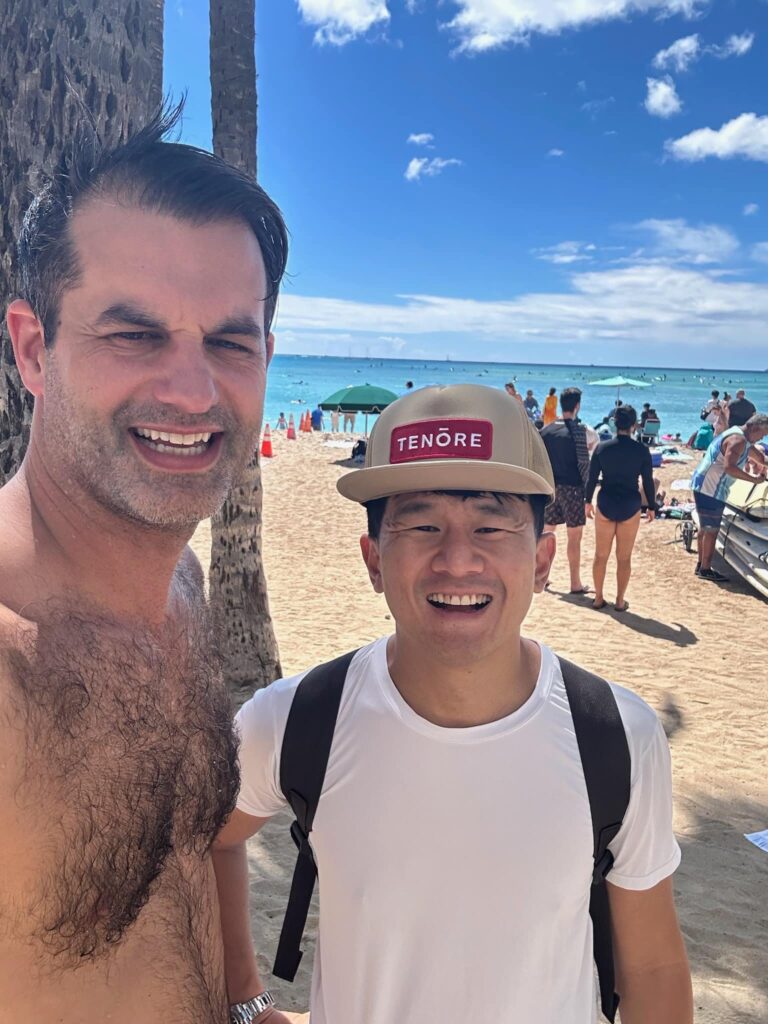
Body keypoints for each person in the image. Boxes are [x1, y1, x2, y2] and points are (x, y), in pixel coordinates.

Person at [214, 383, 692, 1024]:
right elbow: (204, 839)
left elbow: (653, 969)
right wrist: (244, 1000)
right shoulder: (299, 719)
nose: (457, 561)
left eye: (492, 526)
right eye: (420, 525)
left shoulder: (615, 735)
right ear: (373, 559)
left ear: (543, 557)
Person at [0, 106, 289, 1022]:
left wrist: (244, 1005)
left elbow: (189, 847)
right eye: (136, 334)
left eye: (230, 342)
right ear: (34, 349)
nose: (194, 391)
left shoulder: (182, 594)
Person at [585, 406, 655, 612]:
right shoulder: (641, 450)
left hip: (606, 503)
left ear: (615, 424)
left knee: (600, 555)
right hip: (630, 505)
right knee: (624, 558)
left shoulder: (602, 448)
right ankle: (619, 601)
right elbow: (648, 481)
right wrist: (651, 506)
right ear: (634, 426)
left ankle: (598, 597)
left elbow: (591, 479)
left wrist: (587, 501)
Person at [690, 414, 768, 582]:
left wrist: (763, 463)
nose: (763, 437)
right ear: (755, 428)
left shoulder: (741, 436)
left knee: (705, 527)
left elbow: (759, 458)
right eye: (763, 434)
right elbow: (729, 468)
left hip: (704, 484)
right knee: (711, 530)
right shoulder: (737, 440)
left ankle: (701, 565)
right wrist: (754, 479)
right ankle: (705, 568)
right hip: (710, 487)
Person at [540, 387, 591, 593]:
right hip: (573, 489)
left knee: (546, 534)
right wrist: (587, 491)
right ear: (577, 406)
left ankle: (542, 577)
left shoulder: (546, 431)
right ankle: (575, 583)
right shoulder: (578, 431)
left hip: (551, 487)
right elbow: (584, 464)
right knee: (574, 538)